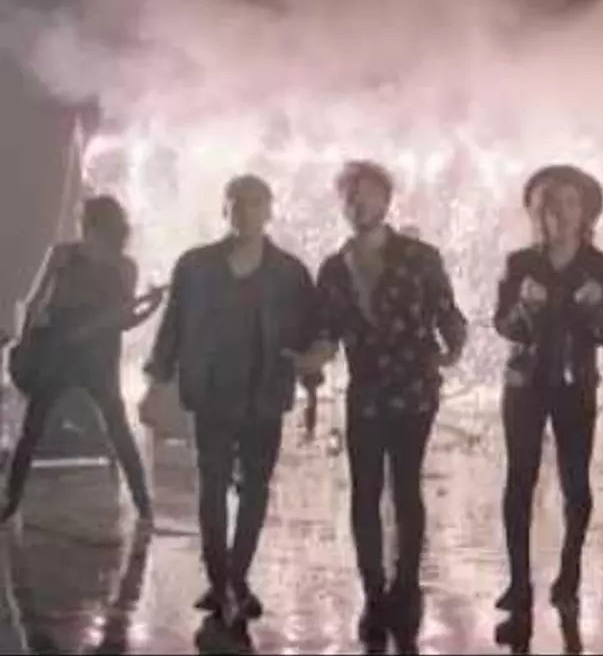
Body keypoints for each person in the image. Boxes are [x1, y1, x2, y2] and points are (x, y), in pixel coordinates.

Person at [288, 160, 468, 649]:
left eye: (367, 194)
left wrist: (452, 349)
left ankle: (406, 585)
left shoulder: (420, 257)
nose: (358, 204)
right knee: (365, 491)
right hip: (366, 390)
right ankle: (373, 591)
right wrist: (309, 359)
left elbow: (448, 312)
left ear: (387, 201)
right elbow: (327, 332)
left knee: (405, 486)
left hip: (414, 389)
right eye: (349, 197)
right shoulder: (333, 269)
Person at [142, 175, 318, 626]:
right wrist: (156, 384)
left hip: (265, 393)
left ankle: (237, 576)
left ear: (270, 210)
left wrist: (312, 378)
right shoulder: (195, 266)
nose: (246, 211)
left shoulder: (291, 273)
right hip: (212, 393)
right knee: (212, 487)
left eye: (255, 203)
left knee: (256, 487)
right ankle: (220, 579)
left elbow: (309, 331)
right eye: (237, 203)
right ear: (225, 210)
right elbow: (172, 327)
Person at [491, 164, 603, 647]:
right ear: (536, 213)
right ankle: (518, 582)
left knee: (575, 483)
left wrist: (594, 306)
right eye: (549, 205)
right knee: (519, 480)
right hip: (525, 384)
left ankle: (570, 570)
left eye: (570, 204)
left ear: (585, 212)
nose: (560, 214)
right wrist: (524, 307)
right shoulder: (520, 264)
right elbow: (503, 325)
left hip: (574, 385)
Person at [2, 195, 162, 525]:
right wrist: (26, 344)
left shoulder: (124, 267)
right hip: (56, 351)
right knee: (32, 430)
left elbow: (124, 320)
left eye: (88, 224)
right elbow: (34, 303)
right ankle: (10, 503)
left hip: (99, 355)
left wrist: (151, 307)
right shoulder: (63, 255)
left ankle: (144, 507)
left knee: (117, 428)